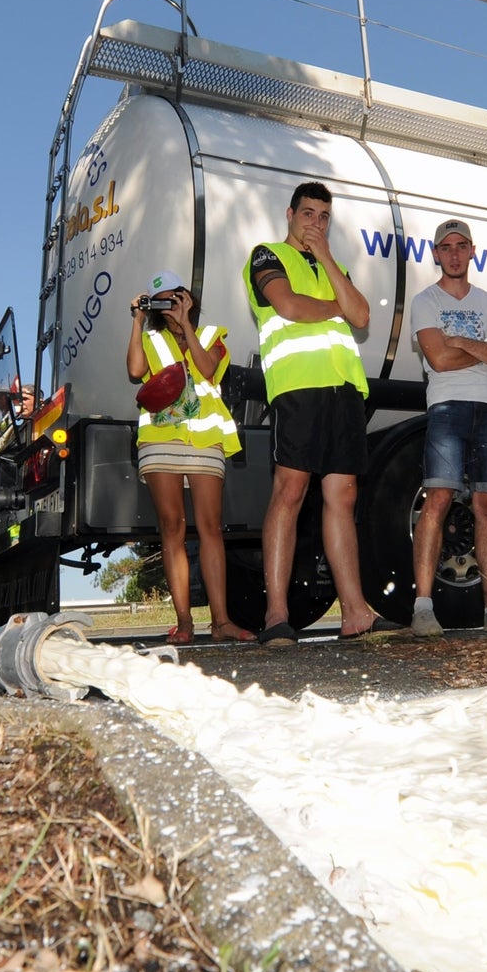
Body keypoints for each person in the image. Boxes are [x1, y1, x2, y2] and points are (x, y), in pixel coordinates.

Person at [246, 180, 397, 644]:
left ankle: (355, 613)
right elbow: (289, 306)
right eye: (308, 213)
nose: (315, 223)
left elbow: (364, 316)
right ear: (289, 214)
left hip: (344, 389)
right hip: (297, 389)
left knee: (343, 496)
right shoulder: (266, 255)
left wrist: (329, 261)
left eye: (323, 216)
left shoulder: (336, 265)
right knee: (290, 492)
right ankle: (276, 616)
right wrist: (338, 307)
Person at [406, 220, 487, 637]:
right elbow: (439, 362)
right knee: (439, 497)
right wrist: (486, 351)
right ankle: (423, 609)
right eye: (446, 247)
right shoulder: (424, 301)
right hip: (446, 406)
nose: (455, 254)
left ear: (472, 251)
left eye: (462, 246)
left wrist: (459, 342)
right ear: (436, 254)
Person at [126, 269, 252, 644]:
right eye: (160, 299)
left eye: (175, 295)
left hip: (205, 440)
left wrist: (187, 327)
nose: (169, 303)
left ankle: (222, 621)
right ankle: (184, 622)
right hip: (160, 439)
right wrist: (136, 322)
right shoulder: (150, 338)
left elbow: (210, 370)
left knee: (211, 528)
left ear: (188, 298)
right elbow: (135, 371)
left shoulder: (214, 334)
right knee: (172, 528)